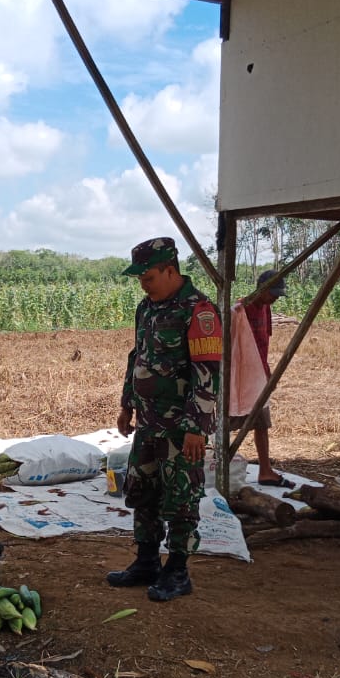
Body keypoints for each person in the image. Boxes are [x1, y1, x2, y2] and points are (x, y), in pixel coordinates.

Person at [109, 237, 221, 602]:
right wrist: (128, 405)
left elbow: (207, 373)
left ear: (170, 270)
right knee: (143, 492)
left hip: (181, 428)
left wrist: (195, 428)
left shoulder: (199, 311)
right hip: (149, 424)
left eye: (149, 276)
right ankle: (146, 561)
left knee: (182, 496)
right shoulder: (147, 309)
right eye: (140, 277)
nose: (144, 283)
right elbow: (136, 357)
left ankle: (177, 570)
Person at [234, 269, 289, 487]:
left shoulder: (265, 309)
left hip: (258, 375)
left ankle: (265, 470)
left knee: (262, 422)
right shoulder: (241, 310)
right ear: (261, 289)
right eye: (272, 293)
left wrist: (267, 371)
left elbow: (263, 343)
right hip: (239, 376)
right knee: (226, 424)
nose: (275, 298)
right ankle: (216, 467)